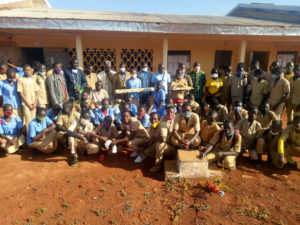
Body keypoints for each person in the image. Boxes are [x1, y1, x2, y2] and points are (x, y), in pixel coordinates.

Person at [145, 106, 177, 172]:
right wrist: (143, 148)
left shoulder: (163, 124)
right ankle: (161, 157)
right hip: (162, 144)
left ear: (158, 119)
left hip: (171, 146)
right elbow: (150, 138)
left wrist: (153, 139)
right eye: (151, 119)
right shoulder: (152, 126)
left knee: (160, 145)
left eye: (155, 119)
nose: (153, 121)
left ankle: (158, 165)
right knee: (146, 152)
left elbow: (163, 139)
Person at [17, 64, 39, 129]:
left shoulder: (32, 79)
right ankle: (29, 136)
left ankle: (34, 134)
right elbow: (20, 93)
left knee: (34, 119)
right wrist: (28, 104)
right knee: (28, 120)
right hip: (26, 104)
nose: (28, 72)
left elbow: (37, 91)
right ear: (23, 70)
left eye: (29, 70)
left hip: (34, 103)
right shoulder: (21, 79)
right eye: (26, 70)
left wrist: (35, 102)